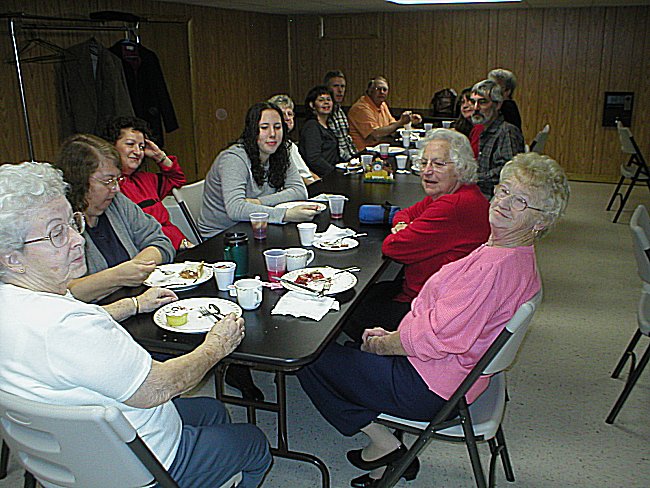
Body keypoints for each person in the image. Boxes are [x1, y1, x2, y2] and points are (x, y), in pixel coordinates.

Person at [298, 152, 569, 487]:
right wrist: (394, 334)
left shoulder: (495, 269)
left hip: (430, 386)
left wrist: (384, 345)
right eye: (504, 191)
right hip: (452, 375)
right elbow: (445, 324)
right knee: (351, 345)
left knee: (308, 358)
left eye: (521, 201)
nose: (503, 203)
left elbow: (438, 339)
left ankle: (385, 444)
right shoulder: (510, 252)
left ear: (541, 221)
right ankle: (386, 452)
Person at [0, 161, 272, 488]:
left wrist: (134, 305)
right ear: (12, 258)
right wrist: (216, 346)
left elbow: (67, 340)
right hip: (142, 465)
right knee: (254, 442)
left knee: (212, 412)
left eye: (72, 223)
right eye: (57, 233)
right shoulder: (71, 327)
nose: (77, 240)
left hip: (73, 455)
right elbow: (161, 386)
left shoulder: (21, 304)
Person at [343, 129, 490, 342]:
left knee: (347, 310)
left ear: (461, 168)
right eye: (424, 163)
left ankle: (376, 351)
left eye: (438, 164)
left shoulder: (453, 205)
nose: (427, 171)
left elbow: (393, 248)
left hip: (429, 309)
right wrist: (406, 225)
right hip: (432, 293)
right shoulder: (452, 193)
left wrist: (403, 231)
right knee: (363, 294)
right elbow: (404, 213)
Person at [56, 134, 176, 303]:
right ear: (79, 181)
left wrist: (135, 268)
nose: (116, 188)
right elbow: (63, 294)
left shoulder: (117, 203)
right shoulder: (58, 223)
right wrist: (119, 276)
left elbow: (160, 241)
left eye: (117, 179)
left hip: (142, 301)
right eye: (108, 181)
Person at [199, 102, 322, 238]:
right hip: (221, 235)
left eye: (277, 127)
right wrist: (286, 215)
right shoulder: (233, 159)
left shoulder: (281, 152)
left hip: (256, 226)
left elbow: (299, 191)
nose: (272, 134)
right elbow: (236, 209)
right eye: (264, 128)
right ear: (252, 131)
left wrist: (259, 202)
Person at [99, 116, 192, 250]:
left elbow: (177, 179)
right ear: (111, 146)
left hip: (180, 246)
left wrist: (159, 156)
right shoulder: (108, 188)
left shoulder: (146, 180)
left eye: (141, 147)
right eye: (130, 144)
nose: (138, 152)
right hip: (152, 251)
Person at [468, 79, 525, 199]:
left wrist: (474, 178)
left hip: (494, 197)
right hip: (479, 192)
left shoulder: (507, 132)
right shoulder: (482, 129)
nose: (476, 108)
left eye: (483, 102)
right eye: (473, 102)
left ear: (497, 105)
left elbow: (508, 171)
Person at [348, 76, 423, 151]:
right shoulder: (361, 108)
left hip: (381, 148)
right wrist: (400, 122)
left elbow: (392, 126)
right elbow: (375, 134)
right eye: (378, 89)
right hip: (364, 152)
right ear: (370, 91)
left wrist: (409, 120)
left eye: (385, 89)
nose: (382, 92)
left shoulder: (382, 104)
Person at [267, 94, 320, 186]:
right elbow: (294, 177)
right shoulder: (273, 146)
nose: (288, 118)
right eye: (283, 114)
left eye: (290, 114)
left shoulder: (290, 144)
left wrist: (318, 180)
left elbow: (305, 170)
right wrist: (314, 186)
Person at [299, 85, 340, 177]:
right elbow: (314, 159)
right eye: (321, 100)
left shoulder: (328, 125)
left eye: (328, 99)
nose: (326, 103)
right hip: (320, 177)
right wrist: (334, 173)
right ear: (312, 105)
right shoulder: (312, 126)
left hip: (331, 173)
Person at [323, 70, 358, 161]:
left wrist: (357, 158)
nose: (340, 90)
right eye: (335, 86)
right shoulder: (324, 114)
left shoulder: (340, 111)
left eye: (342, 86)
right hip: (337, 162)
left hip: (351, 158)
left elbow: (347, 140)